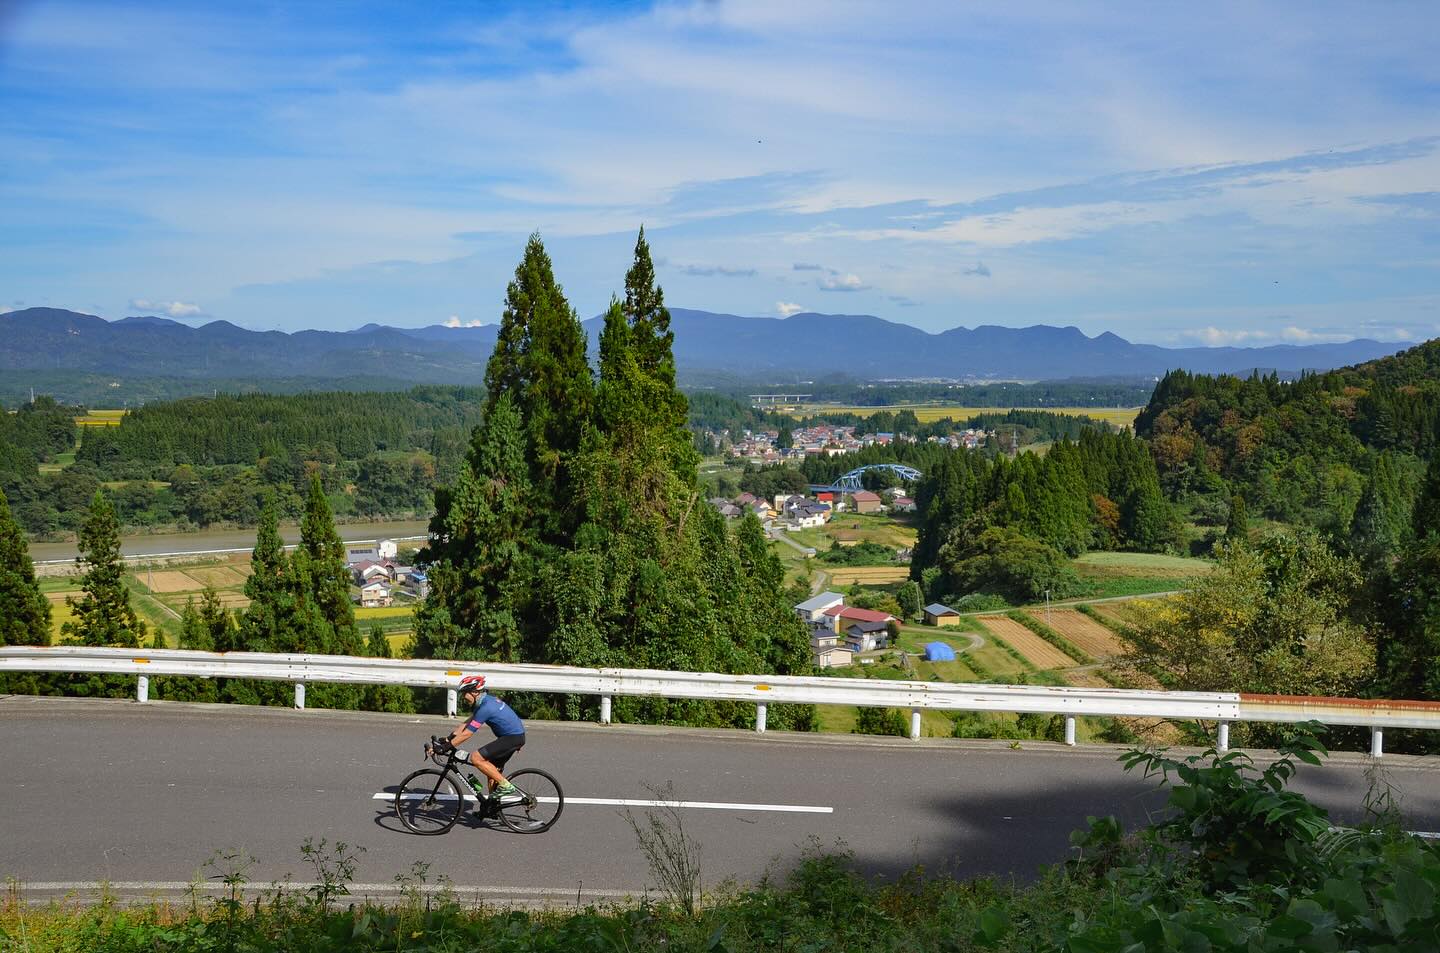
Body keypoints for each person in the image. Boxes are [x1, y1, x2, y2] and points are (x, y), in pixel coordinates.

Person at [433, 673, 525, 802]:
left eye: (465, 693)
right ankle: (492, 807)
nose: (463, 697)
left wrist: (446, 747)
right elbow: (466, 724)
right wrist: (448, 739)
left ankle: (506, 786)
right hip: (514, 737)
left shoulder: (486, 707)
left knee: (476, 758)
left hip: (512, 738)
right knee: (491, 770)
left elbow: (468, 733)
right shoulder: (485, 701)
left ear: (475, 692)